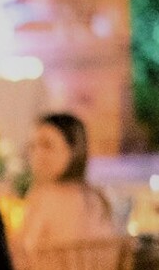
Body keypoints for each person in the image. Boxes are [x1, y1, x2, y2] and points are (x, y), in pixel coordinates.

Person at [17, 111, 114, 260]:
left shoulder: (46, 196)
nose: (37, 154)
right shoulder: (97, 197)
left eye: (47, 145)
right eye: (33, 146)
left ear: (73, 150)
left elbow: (25, 252)